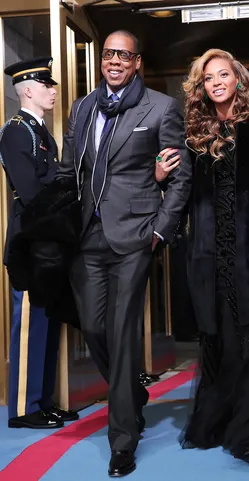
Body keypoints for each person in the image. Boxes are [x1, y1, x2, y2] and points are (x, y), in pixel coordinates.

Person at [157, 49, 249, 462]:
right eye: (209, 77)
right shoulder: (196, 132)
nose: (217, 81)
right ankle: (232, 419)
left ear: (238, 79)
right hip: (211, 256)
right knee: (225, 341)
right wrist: (160, 179)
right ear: (201, 87)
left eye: (224, 74)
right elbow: (183, 195)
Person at [56, 30, 192, 476]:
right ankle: (131, 391)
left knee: (120, 331)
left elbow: (180, 179)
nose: (115, 61)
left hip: (135, 236)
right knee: (93, 327)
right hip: (88, 237)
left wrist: (160, 231)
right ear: (102, 60)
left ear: (137, 62)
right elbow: (69, 169)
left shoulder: (160, 107)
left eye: (124, 55)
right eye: (109, 53)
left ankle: (123, 440)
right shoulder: (82, 107)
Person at [0, 57, 79, 428]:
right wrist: (64, 188)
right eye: (47, 85)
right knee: (30, 324)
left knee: (48, 322)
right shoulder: (17, 131)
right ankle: (24, 409)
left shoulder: (40, 131)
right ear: (27, 90)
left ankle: (43, 401)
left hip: (48, 240)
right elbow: (31, 191)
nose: (53, 90)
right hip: (30, 244)